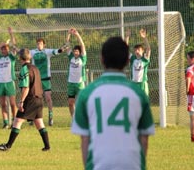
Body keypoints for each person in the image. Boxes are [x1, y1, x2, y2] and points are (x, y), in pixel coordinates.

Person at [72, 36, 155, 170]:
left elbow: (85, 140)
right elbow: (144, 139)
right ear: (128, 61)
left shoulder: (86, 94)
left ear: (102, 59)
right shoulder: (139, 94)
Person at [0, 48, 50, 151]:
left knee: (17, 121)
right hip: (39, 99)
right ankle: (47, 146)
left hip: (30, 99)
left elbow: (26, 87)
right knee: (39, 123)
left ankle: (7, 146)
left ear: (20, 58)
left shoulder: (25, 69)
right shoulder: (35, 68)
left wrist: (22, 101)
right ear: (30, 57)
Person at [9, 28, 64, 126]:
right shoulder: (33, 52)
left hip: (45, 78)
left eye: (41, 43)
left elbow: (57, 51)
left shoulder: (47, 52)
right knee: (32, 97)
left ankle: (50, 116)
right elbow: (22, 52)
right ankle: (32, 117)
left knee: (47, 97)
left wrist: (62, 49)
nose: (39, 45)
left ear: (44, 45)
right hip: (35, 79)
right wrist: (15, 47)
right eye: (38, 43)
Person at [65, 28, 87, 120]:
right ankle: (73, 119)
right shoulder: (71, 57)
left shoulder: (82, 58)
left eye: (77, 51)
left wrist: (77, 35)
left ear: (79, 52)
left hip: (79, 83)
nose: (75, 53)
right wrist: (68, 34)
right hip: (71, 83)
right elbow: (67, 44)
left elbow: (82, 45)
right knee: (70, 102)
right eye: (74, 51)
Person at [125, 28, 151, 96]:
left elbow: (148, 49)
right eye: (135, 50)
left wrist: (144, 38)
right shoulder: (132, 58)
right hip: (133, 83)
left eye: (138, 50)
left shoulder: (145, 59)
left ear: (142, 51)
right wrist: (127, 37)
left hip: (143, 83)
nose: (136, 51)